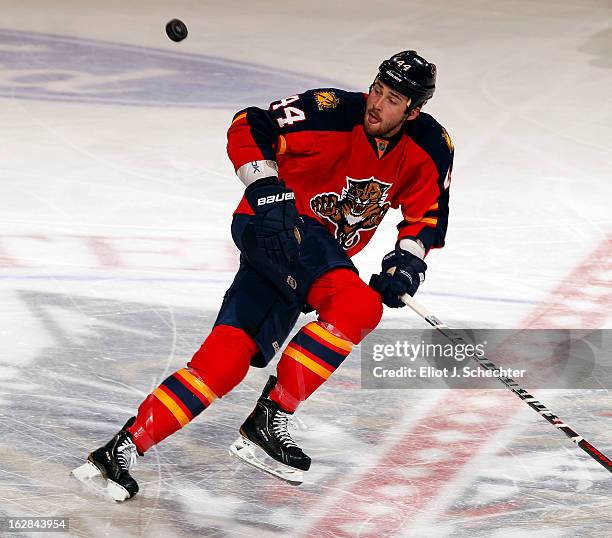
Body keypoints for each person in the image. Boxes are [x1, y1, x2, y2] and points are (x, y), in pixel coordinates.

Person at [71, 50, 454, 500]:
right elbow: (250, 122)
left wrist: (407, 262)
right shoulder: (331, 111)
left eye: (392, 100)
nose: (376, 103)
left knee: (226, 361)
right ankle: (270, 419)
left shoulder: (430, 146)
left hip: (305, 260)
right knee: (356, 304)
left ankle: (119, 450)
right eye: (377, 90)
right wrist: (266, 186)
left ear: (414, 111)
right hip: (275, 225)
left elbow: (426, 213)